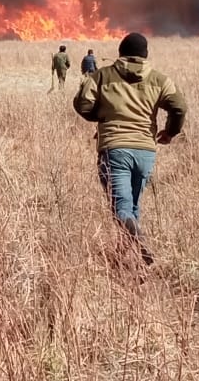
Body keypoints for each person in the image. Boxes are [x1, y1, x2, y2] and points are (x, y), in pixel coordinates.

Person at [73, 32, 186, 266]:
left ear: (120, 52)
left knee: (121, 207)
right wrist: (170, 132)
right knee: (133, 204)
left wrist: (102, 116)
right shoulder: (159, 79)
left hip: (115, 149)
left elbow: (83, 103)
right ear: (145, 54)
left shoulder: (102, 76)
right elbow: (179, 108)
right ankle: (124, 256)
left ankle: (138, 240)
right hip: (145, 150)